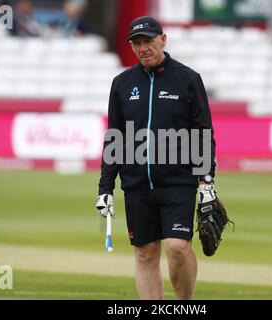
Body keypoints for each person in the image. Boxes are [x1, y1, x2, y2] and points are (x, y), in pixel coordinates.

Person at [96, 16, 218, 300]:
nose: (143, 48)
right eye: (137, 43)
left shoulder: (188, 79)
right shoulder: (122, 83)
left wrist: (207, 181)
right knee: (145, 254)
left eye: (148, 41)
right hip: (137, 185)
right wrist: (105, 188)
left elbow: (202, 133)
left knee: (177, 246)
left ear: (163, 39)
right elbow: (115, 137)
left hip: (178, 183)